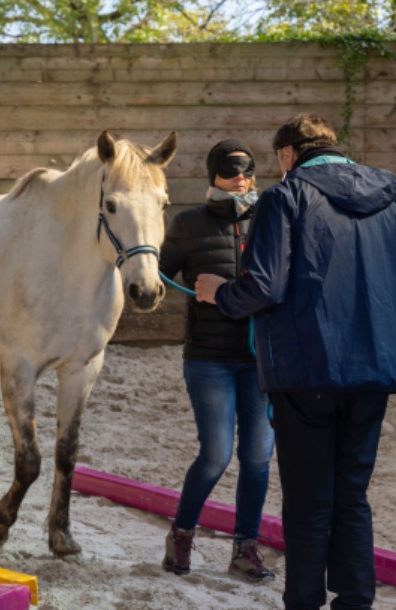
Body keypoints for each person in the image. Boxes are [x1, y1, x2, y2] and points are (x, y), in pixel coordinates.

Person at [195, 114, 396, 610]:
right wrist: (371, 323)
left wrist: (219, 294)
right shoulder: (388, 200)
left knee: (308, 500)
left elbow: (263, 286)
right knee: (352, 497)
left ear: (287, 154)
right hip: (373, 374)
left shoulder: (285, 199)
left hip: (307, 373)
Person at [159, 139, 277, 583]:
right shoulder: (189, 222)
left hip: (260, 358)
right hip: (209, 358)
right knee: (215, 454)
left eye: (246, 171)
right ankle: (182, 535)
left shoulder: (270, 219)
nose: (240, 179)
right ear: (213, 175)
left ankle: (245, 548)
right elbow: (159, 273)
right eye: (230, 172)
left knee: (258, 456)